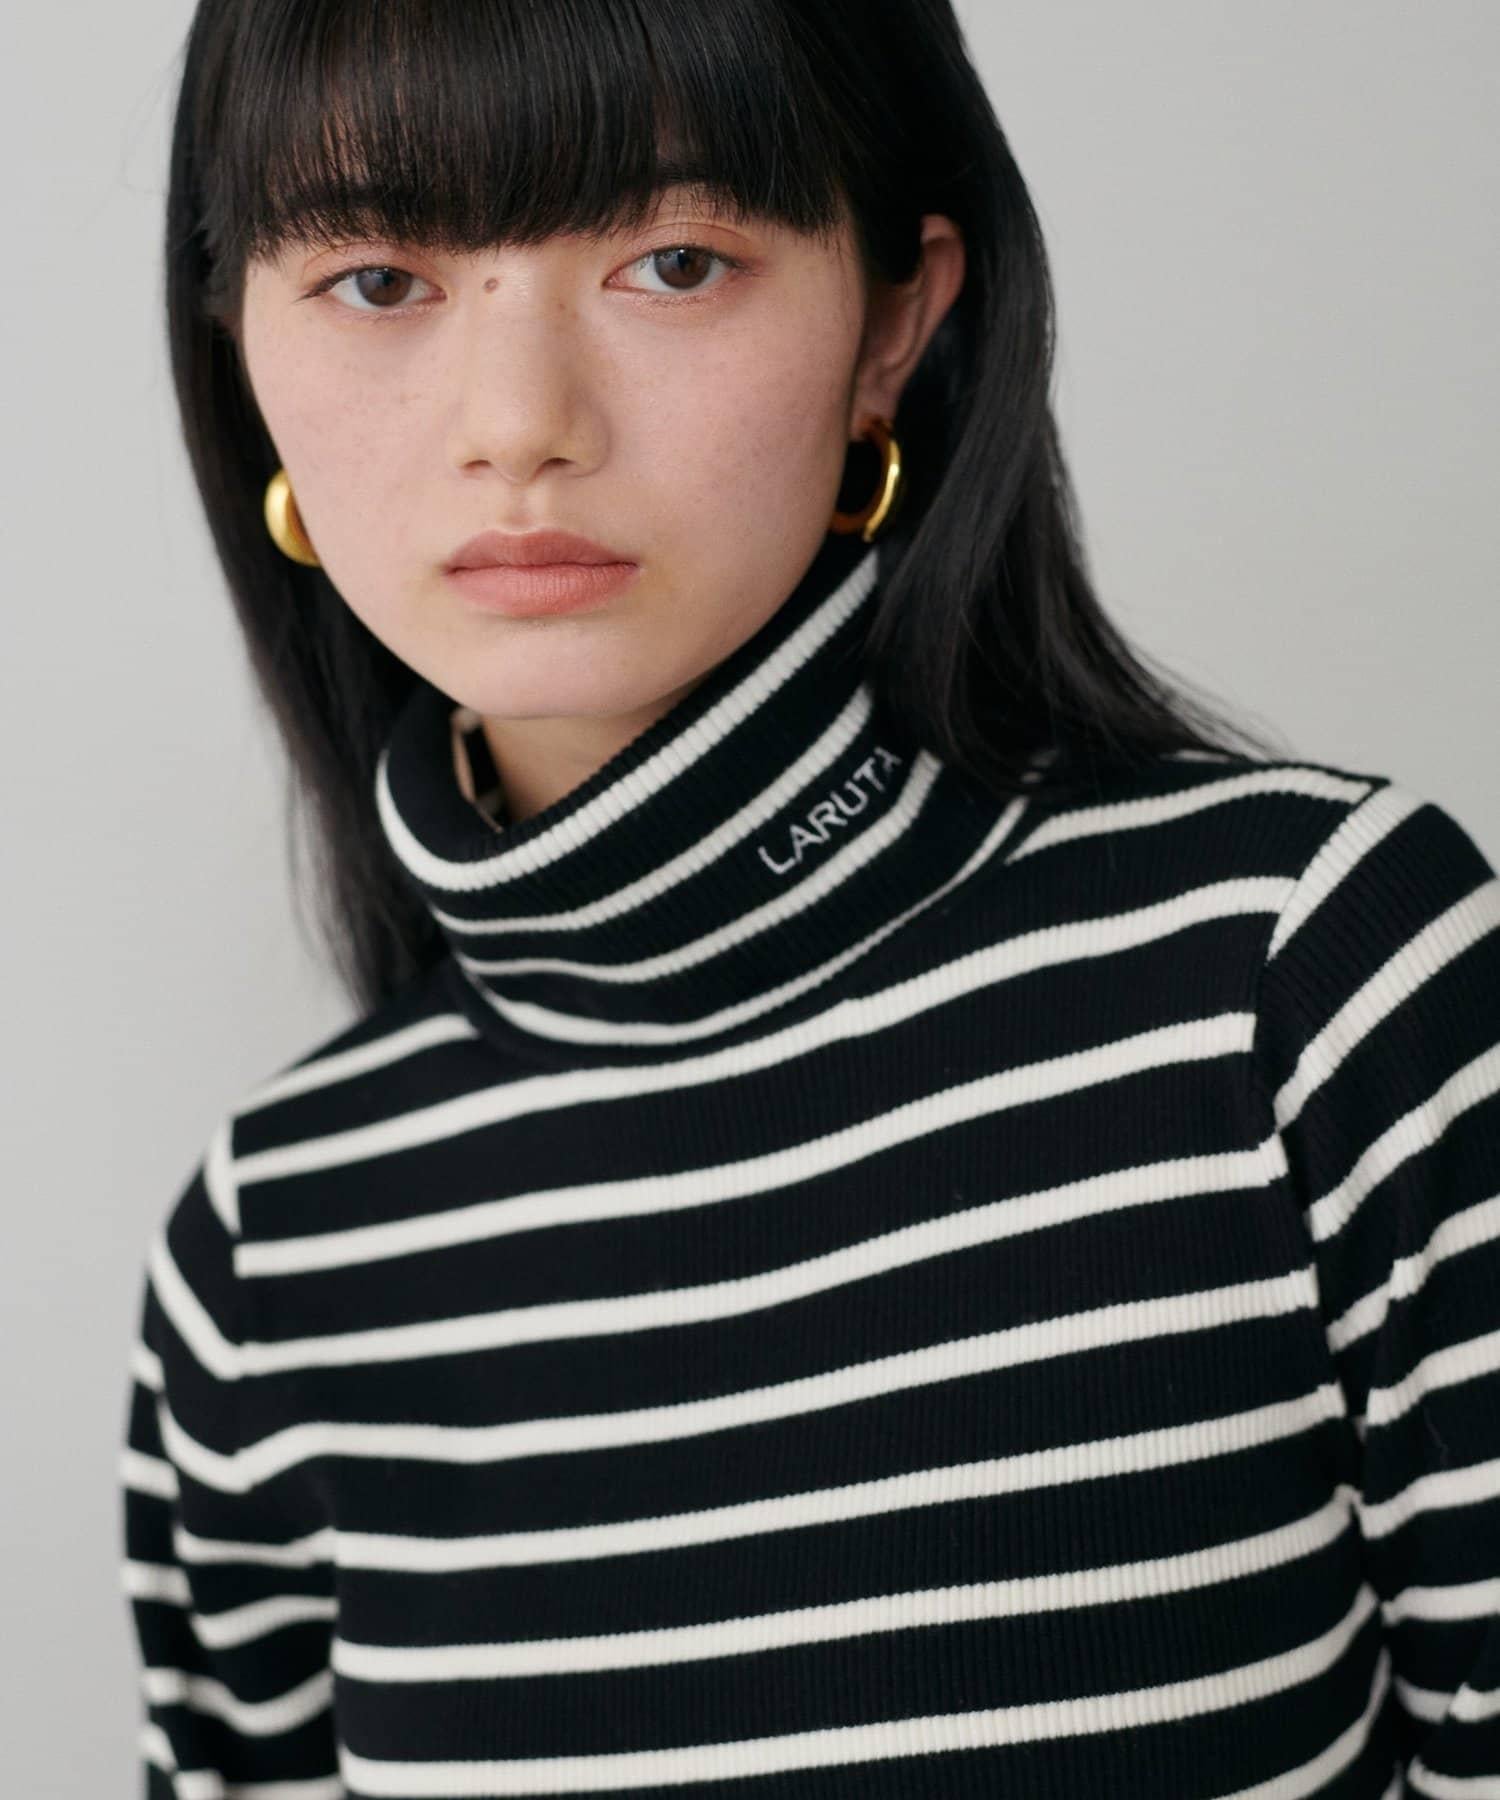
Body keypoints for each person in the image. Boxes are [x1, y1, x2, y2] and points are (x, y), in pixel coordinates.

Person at [118, 1, 1500, 1795]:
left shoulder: (1314, 983)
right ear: (240, 350)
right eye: (378, 281)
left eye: (676, 261)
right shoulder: (273, 1251)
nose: (518, 426)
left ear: (894, 322)